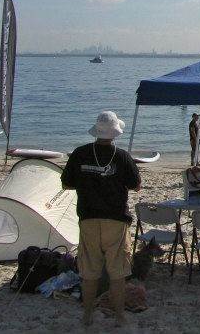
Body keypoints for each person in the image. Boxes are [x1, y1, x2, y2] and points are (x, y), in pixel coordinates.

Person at [61, 111, 141, 327]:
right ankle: (119, 316)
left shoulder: (80, 153)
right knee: (117, 272)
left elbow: (66, 183)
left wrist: (89, 181)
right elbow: (136, 185)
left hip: (88, 217)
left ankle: (87, 314)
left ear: (97, 131)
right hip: (115, 219)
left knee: (90, 272)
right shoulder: (122, 156)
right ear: (115, 132)